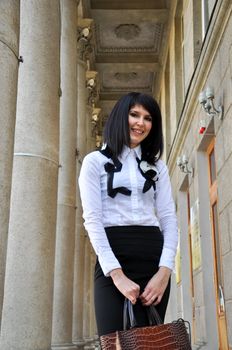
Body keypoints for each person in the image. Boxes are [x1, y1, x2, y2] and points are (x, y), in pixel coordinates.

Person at [78, 92, 178, 337]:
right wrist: (117, 275)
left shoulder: (158, 166)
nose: (140, 123)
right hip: (113, 257)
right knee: (113, 340)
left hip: (152, 258)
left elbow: (168, 218)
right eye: (134, 115)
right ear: (121, 117)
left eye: (148, 118)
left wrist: (164, 271)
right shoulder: (94, 162)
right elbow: (92, 220)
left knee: (150, 341)